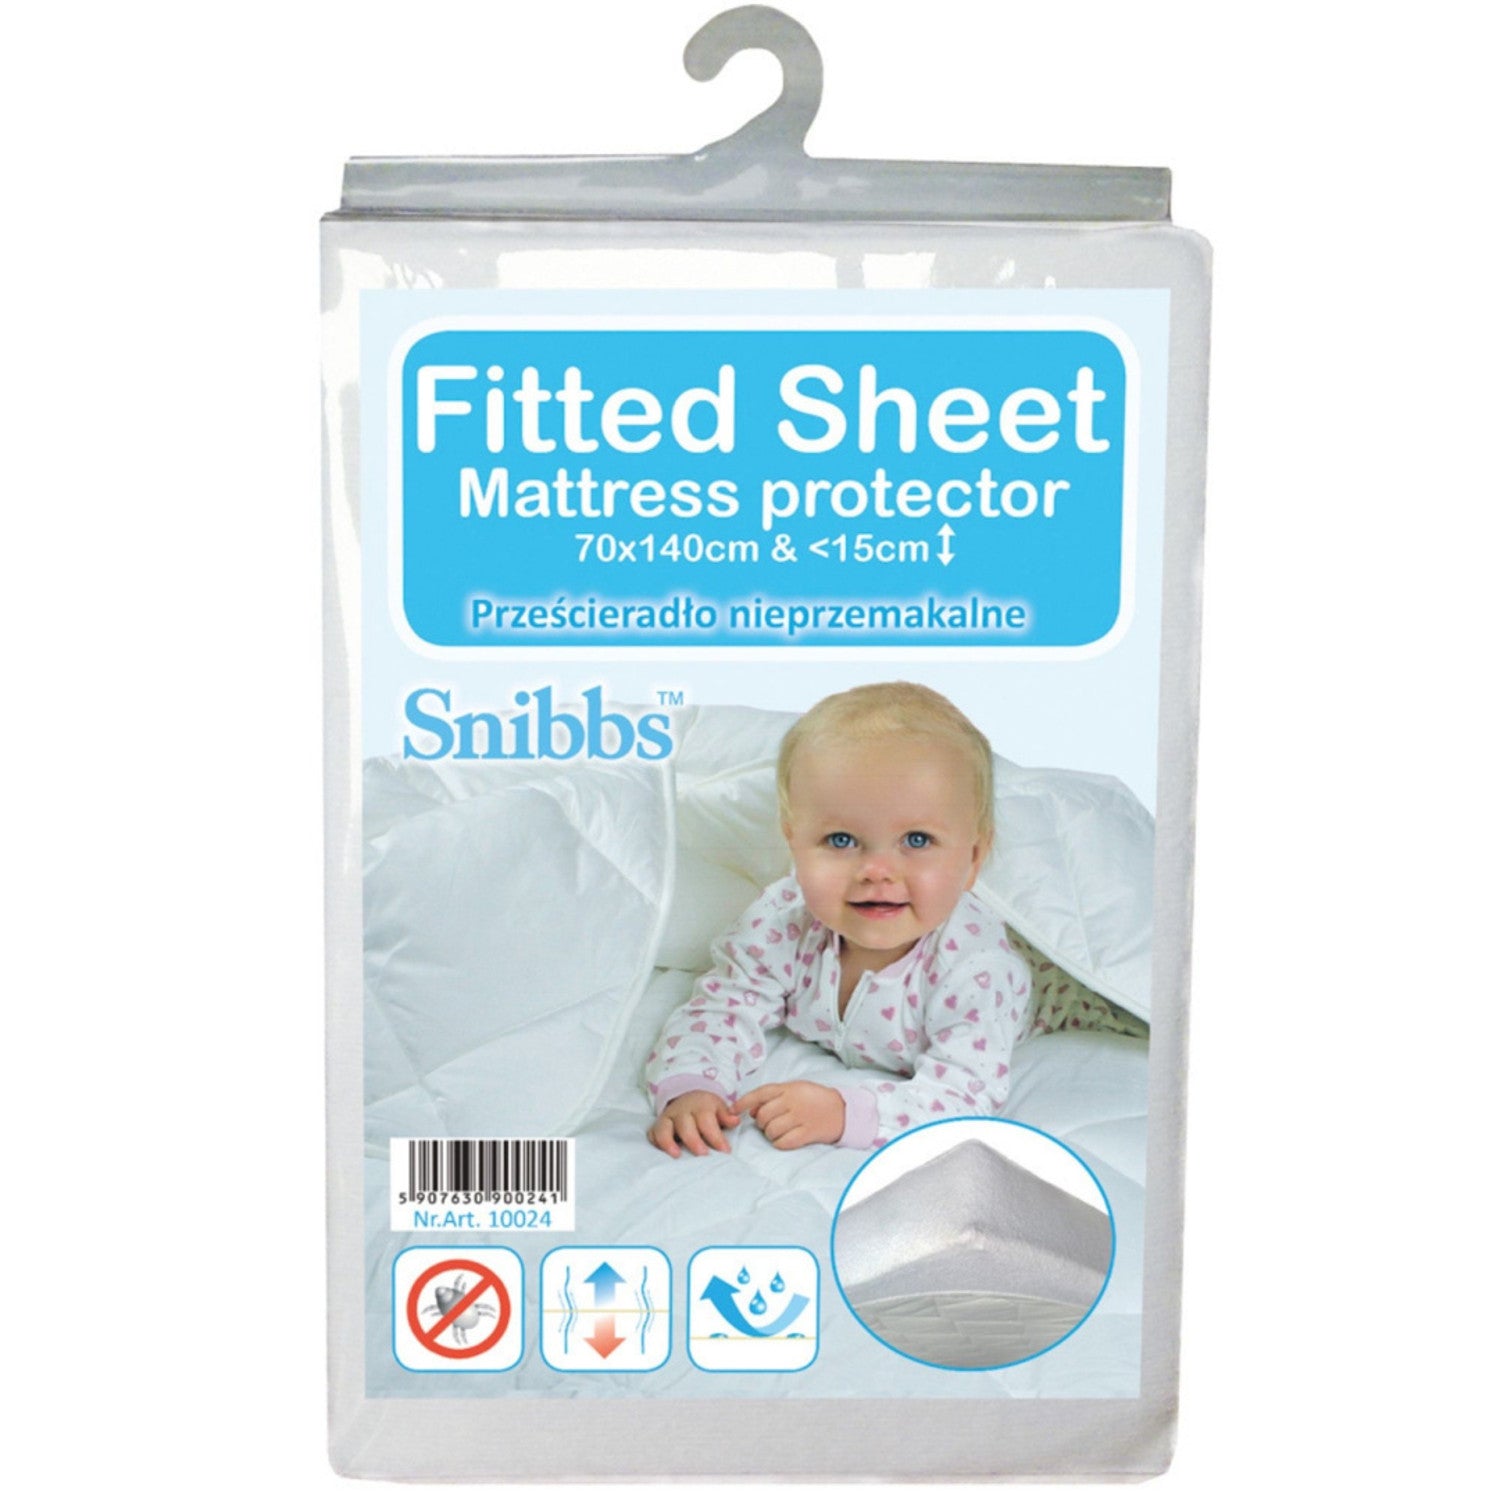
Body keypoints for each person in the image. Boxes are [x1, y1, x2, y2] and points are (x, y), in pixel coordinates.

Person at [644, 682, 1031, 1156]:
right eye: (841, 840)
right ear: (794, 843)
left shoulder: (978, 969)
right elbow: (723, 1008)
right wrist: (692, 1085)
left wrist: (844, 1113)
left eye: (917, 840)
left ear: (972, 859)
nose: (877, 872)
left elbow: (965, 1095)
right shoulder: (784, 921)